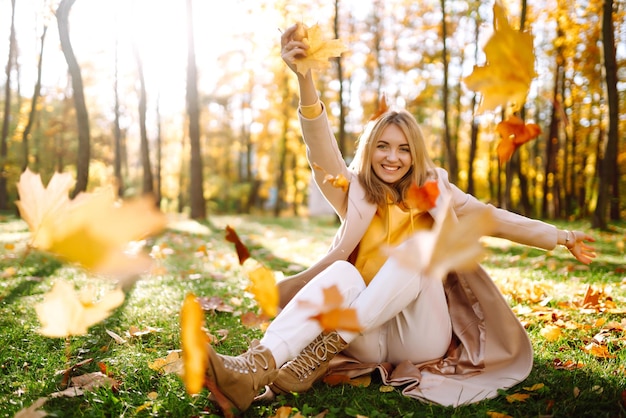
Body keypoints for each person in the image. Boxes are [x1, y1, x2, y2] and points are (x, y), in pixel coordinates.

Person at [203, 23, 597, 414]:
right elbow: (320, 151)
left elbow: (492, 218)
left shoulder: (436, 193)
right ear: (371, 151)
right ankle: (253, 369)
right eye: (384, 147)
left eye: (404, 149)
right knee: (342, 275)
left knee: (418, 246)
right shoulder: (353, 189)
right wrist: (306, 80)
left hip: (419, 333)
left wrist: (560, 236)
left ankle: (320, 347)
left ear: (415, 155)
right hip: (364, 337)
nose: (393, 157)